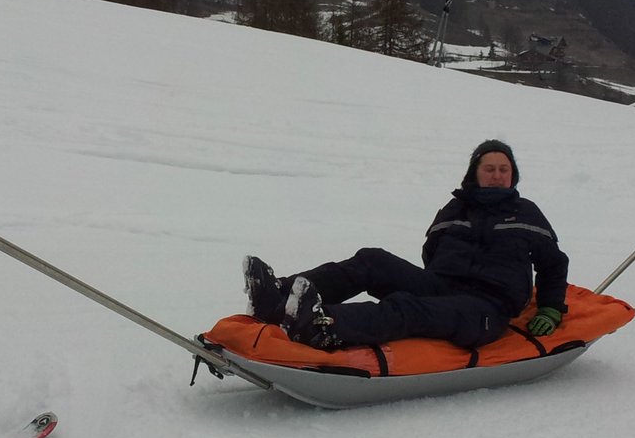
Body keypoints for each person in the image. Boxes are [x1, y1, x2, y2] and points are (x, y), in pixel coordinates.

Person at [244, 139, 570, 351]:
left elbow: (553, 264)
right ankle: (280, 296)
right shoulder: (453, 210)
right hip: (443, 285)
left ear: (513, 175)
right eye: (490, 169)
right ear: (475, 174)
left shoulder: (526, 213)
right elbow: (431, 252)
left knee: (408, 306)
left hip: (486, 307)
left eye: (504, 169)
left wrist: (551, 308)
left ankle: (321, 324)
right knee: (372, 260)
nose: (497, 175)